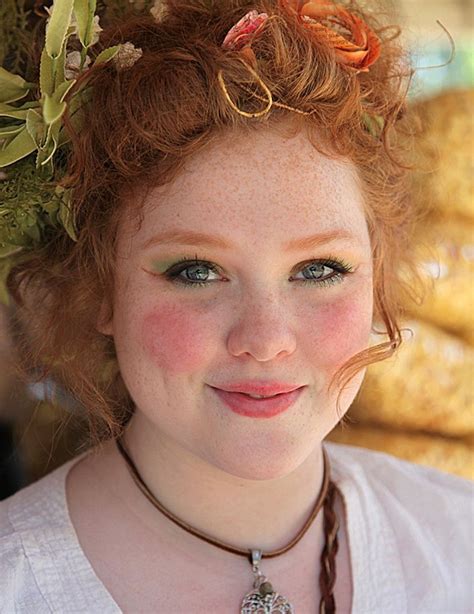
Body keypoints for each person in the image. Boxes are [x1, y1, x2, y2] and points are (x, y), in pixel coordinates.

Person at [0, 0, 472, 612]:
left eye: (319, 269)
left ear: (378, 278)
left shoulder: (457, 547)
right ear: (101, 288)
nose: (267, 337)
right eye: (197, 272)